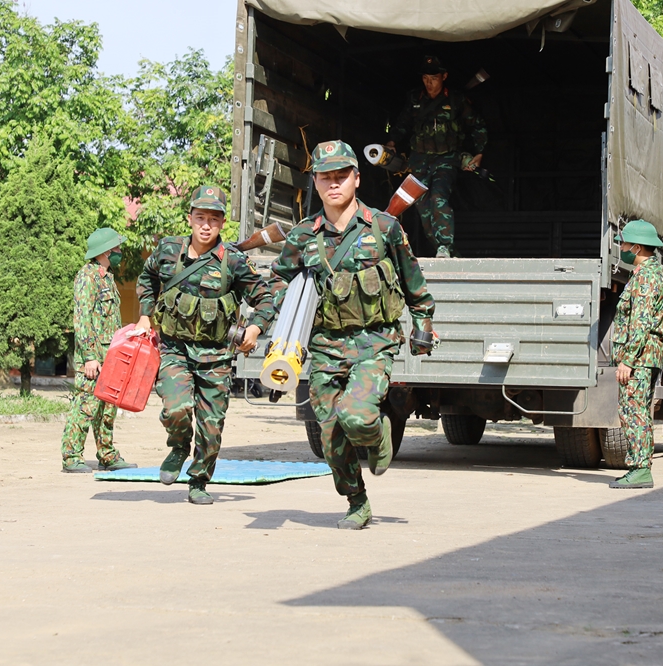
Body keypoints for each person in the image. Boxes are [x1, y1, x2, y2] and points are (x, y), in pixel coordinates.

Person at [269, 141, 436, 529]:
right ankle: (356, 500)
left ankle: (379, 433)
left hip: (374, 342)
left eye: (341, 175)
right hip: (325, 346)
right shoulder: (302, 237)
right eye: (326, 177)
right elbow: (278, 283)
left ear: (356, 179)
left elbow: (414, 284)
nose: (333, 184)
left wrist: (423, 325)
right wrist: (271, 320)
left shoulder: (384, 227)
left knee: (356, 417)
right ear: (316, 181)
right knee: (329, 435)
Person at [134, 185, 275, 505]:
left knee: (211, 428)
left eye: (214, 218)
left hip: (216, 355)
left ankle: (199, 480)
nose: (206, 225)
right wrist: (145, 316)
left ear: (223, 223)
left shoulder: (234, 262)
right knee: (176, 409)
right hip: (175, 349)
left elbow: (265, 298)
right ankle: (179, 446)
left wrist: (255, 328)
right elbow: (146, 277)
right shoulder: (169, 251)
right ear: (190, 219)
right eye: (200, 217)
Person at [386, 55, 487, 258]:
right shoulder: (415, 99)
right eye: (425, 77)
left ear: (444, 76)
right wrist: (391, 143)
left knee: (438, 197)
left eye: (433, 77)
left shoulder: (456, 101)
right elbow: (403, 123)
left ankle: (444, 246)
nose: (429, 82)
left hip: (446, 159)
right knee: (422, 207)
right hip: (420, 160)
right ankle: (446, 251)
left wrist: (479, 153)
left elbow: (477, 125)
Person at [61, 227, 137, 473]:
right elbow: (82, 320)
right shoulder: (87, 277)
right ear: (106, 251)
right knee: (85, 406)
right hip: (93, 358)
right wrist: (90, 357)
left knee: (107, 408)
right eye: (117, 248)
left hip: (111, 356)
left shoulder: (107, 277)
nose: (120, 252)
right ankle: (71, 456)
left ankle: (107, 454)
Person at [609, 219, 663, 489]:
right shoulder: (654, 273)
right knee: (641, 412)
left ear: (637, 247)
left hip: (641, 357)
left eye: (624, 243)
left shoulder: (646, 277)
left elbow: (640, 323)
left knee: (632, 411)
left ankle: (639, 468)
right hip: (647, 356)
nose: (621, 247)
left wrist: (627, 360)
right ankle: (640, 467)